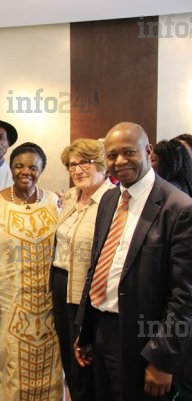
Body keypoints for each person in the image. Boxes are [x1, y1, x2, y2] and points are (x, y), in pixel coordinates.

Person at [75, 122, 192, 401]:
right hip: (101, 329)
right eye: (112, 155)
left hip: (145, 339)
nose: (119, 161)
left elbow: (185, 296)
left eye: (128, 152)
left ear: (148, 151)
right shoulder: (109, 199)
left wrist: (163, 359)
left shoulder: (179, 208)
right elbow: (96, 266)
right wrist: (86, 329)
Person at [0, 142, 62, 401]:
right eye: (19, 166)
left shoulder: (54, 202)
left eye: (33, 167)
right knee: (8, 361)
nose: (25, 171)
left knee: (51, 364)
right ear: (11, 168)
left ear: (41, 170)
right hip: (9, 302)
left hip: (48, 303)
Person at [51, 139, 114, 401]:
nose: (77, 170)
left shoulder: (113, 200)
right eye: (72, 165)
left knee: (85, 363)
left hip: (89, 292)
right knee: (68, 359)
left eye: (84, 163)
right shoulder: (70, 197)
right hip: (60, 284)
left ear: (102, 165)